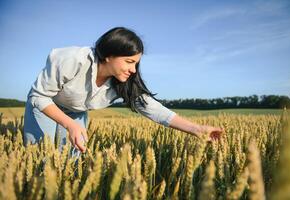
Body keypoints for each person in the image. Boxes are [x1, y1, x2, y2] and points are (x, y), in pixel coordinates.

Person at [23, 27, 223, 155]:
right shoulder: (72, 59)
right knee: (39, 155)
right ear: (109, 55)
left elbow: (152, 109)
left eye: (136, 63)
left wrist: (197, 129)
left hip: (76, 111)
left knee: (71, 159)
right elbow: (39, 96)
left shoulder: (123, 81)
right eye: (129, 61)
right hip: (46, 106)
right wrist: (70, 125)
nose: (133, 69)